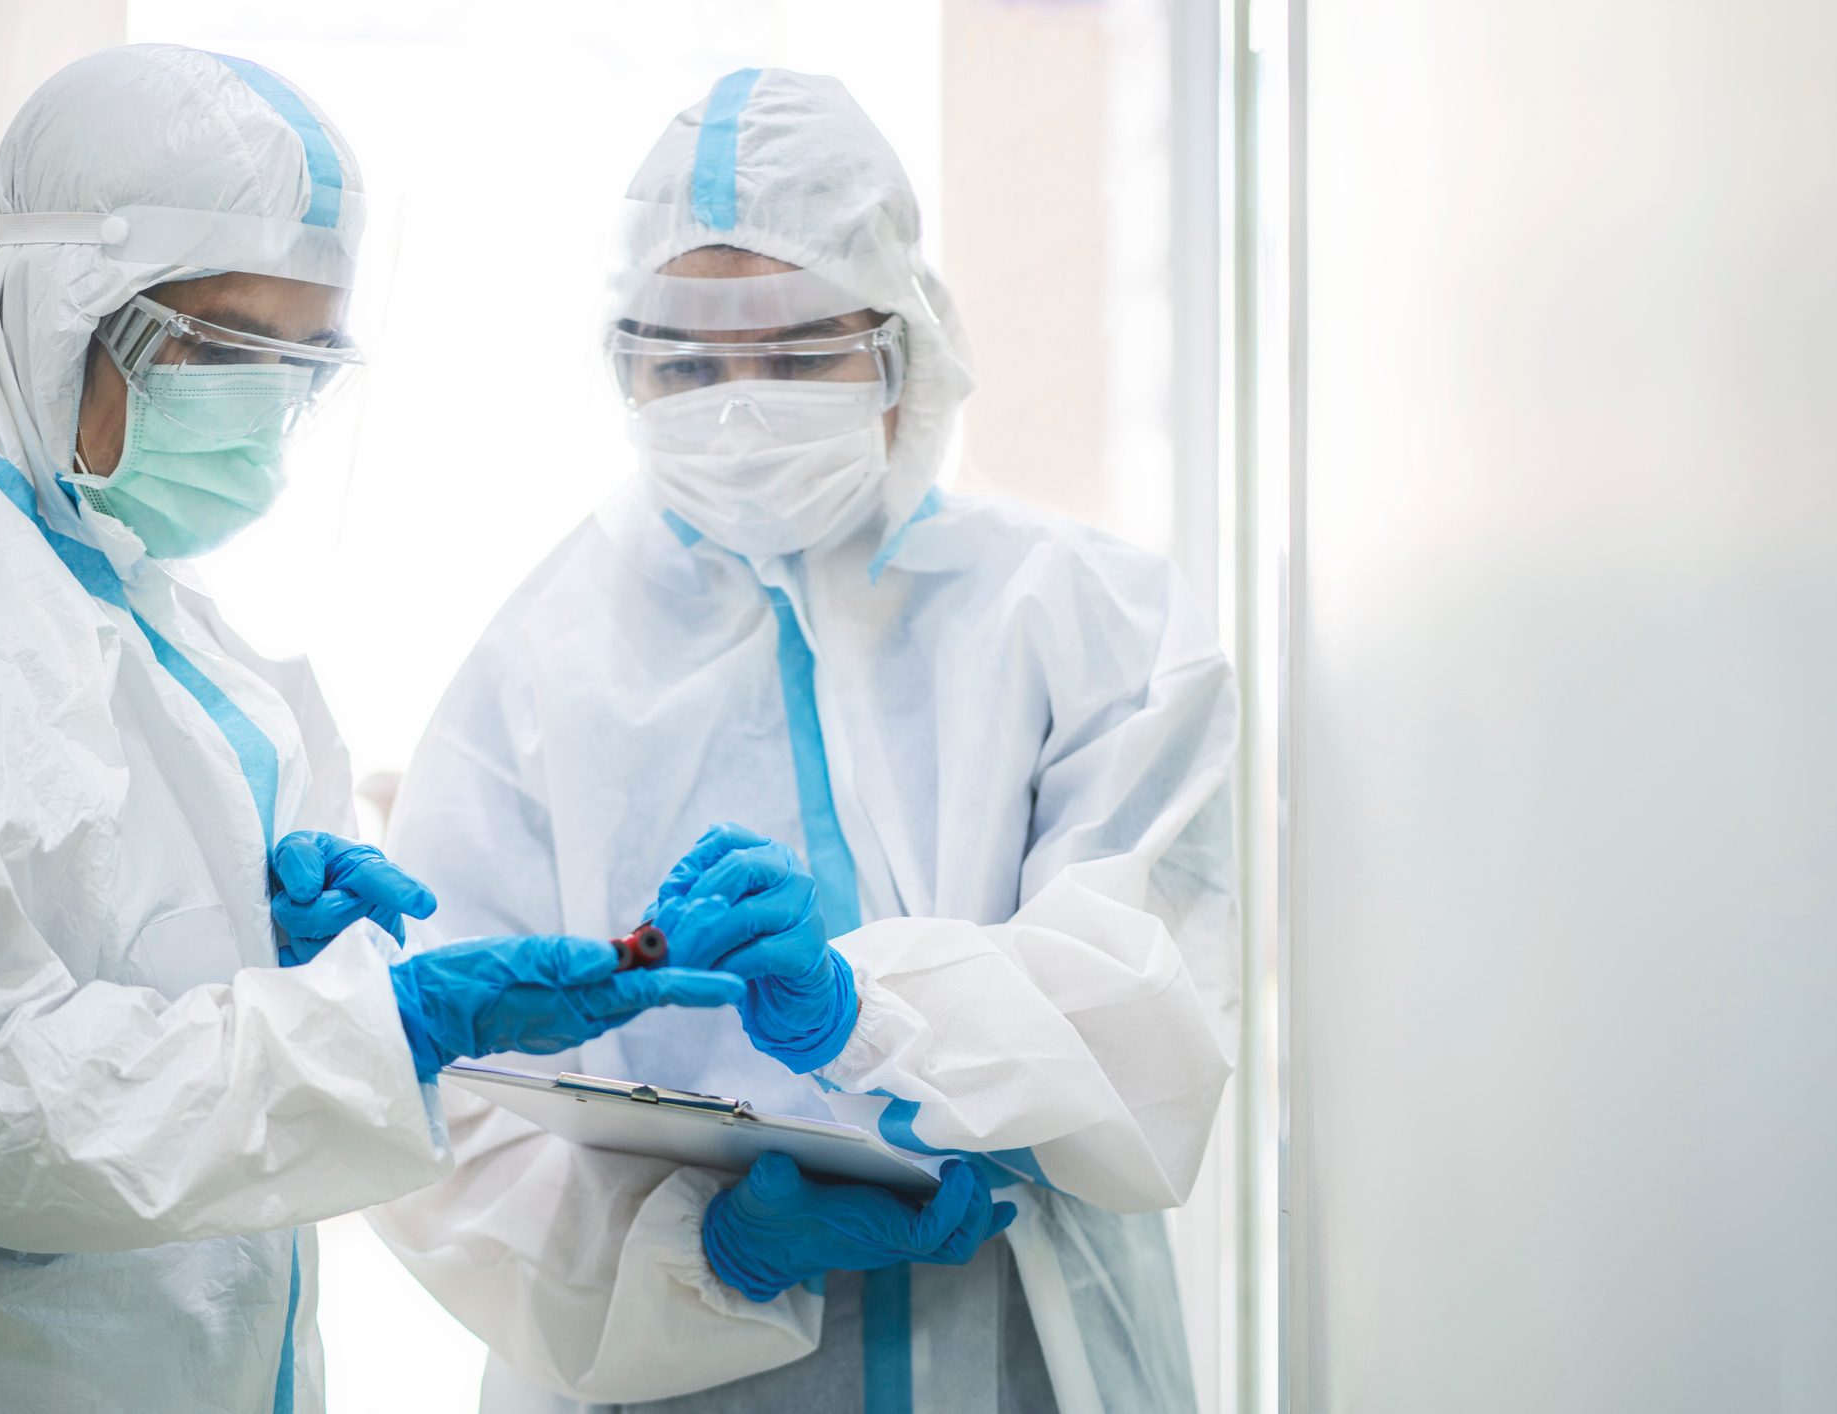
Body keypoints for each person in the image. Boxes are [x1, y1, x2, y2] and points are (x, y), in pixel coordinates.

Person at [0, 45, 740, 1414]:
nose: (271, 404)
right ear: (70, 310)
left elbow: (74, 939)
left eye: (308, 358)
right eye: (236, 346)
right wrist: (393, 1027)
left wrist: (243, 919)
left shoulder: (100, 571)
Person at [370, 68, 1241, 1412]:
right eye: (687, 360)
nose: (736, 403)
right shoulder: (537, 671)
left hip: (1023, 1353)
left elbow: (1153, 1025)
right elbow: (443, 1107)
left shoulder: (1089, 623)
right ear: (624, 367)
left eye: (792, 352)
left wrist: (864, 1013)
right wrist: (703, 1254)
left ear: (902, 348)